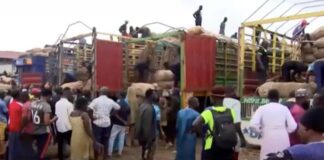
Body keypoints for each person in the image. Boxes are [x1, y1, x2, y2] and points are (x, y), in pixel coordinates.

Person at [250, 89, 297, 160]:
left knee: (267, 157)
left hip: (268, 137)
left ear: (268, 98)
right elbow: (293, 126)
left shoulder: (262, 108)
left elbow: (253, 124)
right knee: (282, 157)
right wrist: (286, 131)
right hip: (283, 137)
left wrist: (261, 132)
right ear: (279, 98)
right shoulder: (284, 108)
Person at [192, 94, 237, 160]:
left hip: (211, 145)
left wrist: (204, 134)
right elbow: (236, 126)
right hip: (228, 145)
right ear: (223, 98)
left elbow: (195, 124)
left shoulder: (208, 112)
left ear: (212, 98)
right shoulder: (231, 111)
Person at [88, 86, 120, 158]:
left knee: (96, 141)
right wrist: (111, 115)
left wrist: (92, 117)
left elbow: (89, 109)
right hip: (107, 123)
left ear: (100, 92)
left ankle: (96, 157)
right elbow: (118, 108)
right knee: (106, 141)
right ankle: (105, 157)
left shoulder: (96, 100)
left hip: (97, 123)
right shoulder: (110, 101)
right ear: (107, 94)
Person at [30, 88, 55, 160]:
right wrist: (54, 119)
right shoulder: (46, 106)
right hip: (42, 132)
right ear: (48, 96)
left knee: (37, 150)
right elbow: (47, 122)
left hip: (33, 130)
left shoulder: (33, 103)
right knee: (42, 152)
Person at [135, 89, 157, 160]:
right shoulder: (149, 108)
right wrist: (149, 141)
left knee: (144, 154)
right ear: (150, 96)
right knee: (148, 156)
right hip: (148, 138)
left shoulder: (142, 106)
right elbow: (146, 126)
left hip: (143, 136)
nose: (156, 95)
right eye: (154, 94)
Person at [108, 91, 130, 157]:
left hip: (116, 123)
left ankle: (109, 153)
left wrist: (110, 115)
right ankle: (119, 152)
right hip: (124, 124)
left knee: (112, 138)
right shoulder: (127, 104)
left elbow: (115, 114)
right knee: (121, 138)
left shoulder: (117, 104)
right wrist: (126, 122)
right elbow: (129, 115)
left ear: (120, 95)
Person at [55, 87, 74, 160]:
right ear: (67, 94)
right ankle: (73, 156)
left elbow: (57, 114)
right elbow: (71, 116)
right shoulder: (69, 104)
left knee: (60, 144)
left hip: (59, 126)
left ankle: (60, 157)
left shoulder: (57, 103)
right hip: (68, 126)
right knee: (71, 143)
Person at [19, 91, 37, 159]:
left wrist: (21, 129)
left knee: (26, 147)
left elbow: (25, 119)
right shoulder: (32, 104)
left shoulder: (25, 106)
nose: (20, 98)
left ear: (24, 97)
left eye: (21, 96)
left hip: (27, 129)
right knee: (31, 147)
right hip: (34, 128)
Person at [7, 89, 23, 160]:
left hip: (11, 128)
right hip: (18, 128)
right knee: (18, 148)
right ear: (18, 96)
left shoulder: (10, 105)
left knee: (11, 147)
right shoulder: (21, 105)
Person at [0, 90, 7, 156]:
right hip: (2, 121)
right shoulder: (2, 103)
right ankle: (3, 152)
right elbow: (6, 111)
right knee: (2, 137)